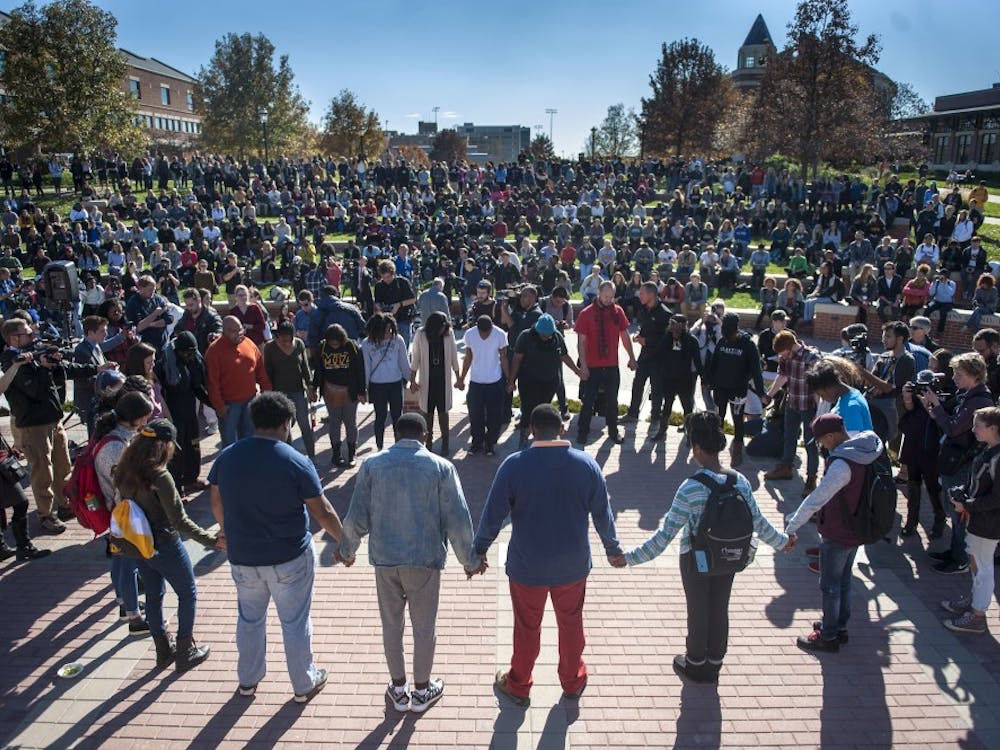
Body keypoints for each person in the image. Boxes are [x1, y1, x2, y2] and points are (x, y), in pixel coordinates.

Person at [474, 404, 624, 706]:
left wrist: (478, 550)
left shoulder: (514, 465)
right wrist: (613, 548)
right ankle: (572, 681)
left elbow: (493, 514)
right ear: (563, 429)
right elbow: (603, 513)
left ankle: (518, 684)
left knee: (527, 627)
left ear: (531, 430)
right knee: (571, 624)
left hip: (527, 566)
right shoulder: (586, 465)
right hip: (573, 566)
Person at [625, 411, 792, 682]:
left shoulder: (690, 487)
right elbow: (759, 522)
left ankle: (694, 662)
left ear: (697, 447)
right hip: (730, 556)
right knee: (719, 607)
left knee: (698, 608)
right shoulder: (740, 480)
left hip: (695, 559)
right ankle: (714, 663)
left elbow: (664, 536)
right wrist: (783, 543)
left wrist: (629, 558)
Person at [337, 412, 479, 713]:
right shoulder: (441, 467)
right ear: (425, 435)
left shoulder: (372, 465)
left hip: (385, 559)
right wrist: (470, 560)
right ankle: (423, 690)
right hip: (424, 559)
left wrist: (347, 550)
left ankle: (398, 688)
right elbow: (457, 517)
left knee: (391, 625)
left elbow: (357, 514)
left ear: (396, 435)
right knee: (424, 628)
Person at [209, 392, 342, 702]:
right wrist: (344, 542)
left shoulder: (227, 456)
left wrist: (226, 530)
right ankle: (303, 683)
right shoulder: (295, 460)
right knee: (294, 621)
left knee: (250, 619)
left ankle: (248, 680)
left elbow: (216, 500)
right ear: (287, 422)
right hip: (289, 557)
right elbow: (321, 511)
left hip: (243, 558)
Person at [115, 419, 223, 672]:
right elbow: (180, 521)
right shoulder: (159, 476)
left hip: (139, 543)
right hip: (165, 541)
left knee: (154, 594)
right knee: (187, 593)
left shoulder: (125, 468)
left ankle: (163, 650)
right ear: (163, 446)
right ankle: (186, 651)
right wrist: (211, 540)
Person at [0, 318, 110, 533]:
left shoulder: (36, 353)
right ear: (14, 338)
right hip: (34, 424)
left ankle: (64, 504)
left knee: (63, 466)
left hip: (53, 418)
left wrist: (96, 369)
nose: (34, 338)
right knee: (43, 472)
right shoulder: (12, 359)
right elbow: (33, 390)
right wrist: (43, 368)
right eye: (28, 335)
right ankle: (46, 515)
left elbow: (66, 369)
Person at [786, 414, 884, 652]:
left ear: (831, 436)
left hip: (838, 532)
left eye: (821, 441)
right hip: (857, 529)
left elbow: (817, 499)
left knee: (829, 586)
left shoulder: (842, 464)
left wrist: (792, 526)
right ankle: (838, 625)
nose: (822, 446)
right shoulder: (864, 450)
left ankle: (828, 636)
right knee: (844, 582)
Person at [920, 352, 995, 574]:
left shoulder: (979, 401)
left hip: (963, 464)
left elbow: (952, 428)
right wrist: (931, 406)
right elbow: (947, 422)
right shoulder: (968, 395)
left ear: (974, 375)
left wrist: (937, 406)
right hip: (955, 460)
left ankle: (960, 559)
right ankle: (955, 552)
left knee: (959, 512)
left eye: (958, 374)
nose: (954, 378)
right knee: (954, 510)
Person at [92, 391, 155, 632]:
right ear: (133, 418)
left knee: (119, 560)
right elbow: (124, 485)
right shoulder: (116, 447)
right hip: (123, 512)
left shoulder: (116, 437)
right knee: (129, 563)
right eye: (144, 418)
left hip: (116, 510)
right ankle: (134, 617)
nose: (146, 423)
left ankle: (122, 602)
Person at [940, 406, 1000, 634]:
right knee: (976, 563)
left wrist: (967, 505)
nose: (973, 429)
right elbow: (979, 483)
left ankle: (978, 616)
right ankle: (975, 601)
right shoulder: (989, 450)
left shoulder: (998, 457)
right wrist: (962, 492)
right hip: (980, 519)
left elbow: (997, 498)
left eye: (978, 425)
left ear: (993, 428)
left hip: (988, 522)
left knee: (983, 568)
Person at [575, 280, 637, 445]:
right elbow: (581, 342)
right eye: (606, 296)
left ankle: (613, 431)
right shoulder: (586, 314)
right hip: (593, 366)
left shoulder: (618, 312)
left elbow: (624, 336)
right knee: (588, 401)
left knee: (612, 401)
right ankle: (582, 431)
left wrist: (631, 357)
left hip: (611, 365)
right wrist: (584, 366)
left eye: (611, 297)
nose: (609, 300)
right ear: (598, 294)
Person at [763, 331, 822, 496]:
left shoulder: (812, 358)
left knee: (811, 443)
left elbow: (818, 386)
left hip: (810, 406)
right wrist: (769, 395)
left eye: (784, 353)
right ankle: (785, 467)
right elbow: (782, 377)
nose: (783, 357)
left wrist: (820, 412)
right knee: (789, 437)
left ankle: (811, 477)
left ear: (791, 347)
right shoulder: (785, 357)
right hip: (792, 404)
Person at [898, 353, 951, 540]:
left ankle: (939, 519)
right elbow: (906, 422)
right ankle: (911, 522)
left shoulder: (948, 395)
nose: (931, 376)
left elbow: (945, 424)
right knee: (913, 486)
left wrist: (934, 403)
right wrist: (908, 400)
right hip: (914, 446)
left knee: (932, 487)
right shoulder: (916, 394)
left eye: (936, 370)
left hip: (932, 450)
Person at [507, 314, 580, 448]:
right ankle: (524, 435)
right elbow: (517, 360)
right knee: (528, 410)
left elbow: (564, 356)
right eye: (544, 335)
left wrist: (577, 370)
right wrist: (511, 380)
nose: (547, 337)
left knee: (542, 410)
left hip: (550, 381)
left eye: (549, 335)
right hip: (529, 381)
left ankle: (540, 437)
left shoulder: (557, 336)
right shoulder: (525, 337)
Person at [704, 313, 764, 468]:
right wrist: (708, 380)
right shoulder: (722, 341)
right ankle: (714, 448)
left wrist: (761, 392)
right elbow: (714, 362)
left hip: (738, 389)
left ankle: (737, 448)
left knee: (738, 419)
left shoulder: (748, 344)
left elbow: (756, 370)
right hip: (720, 387)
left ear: (736, 328)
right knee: (719, 417)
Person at [155, 332, 211, 493]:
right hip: (174, 415)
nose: (190, 355)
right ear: (178, 351)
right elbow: (159, 393)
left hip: (189, 412)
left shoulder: (193, 362)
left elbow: (196, 388)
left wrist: (214, 404)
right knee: (176, 453)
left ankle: (191, 479)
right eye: (186, 352)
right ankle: (176, 488)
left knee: (193, 446)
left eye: (193, 352)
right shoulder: (165, 365)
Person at [205, 316, 272, 447]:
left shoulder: (248, 343)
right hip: (229, 406)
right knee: (229, 443)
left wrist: (266, 390)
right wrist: (219, 406)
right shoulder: (214, 351)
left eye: (240, 330)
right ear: (224, 331)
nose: (238, 334)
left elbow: (259, 368)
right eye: (233, 331)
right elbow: (212, 383)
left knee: (249, 441)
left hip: (250, 401)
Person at [314, 323, 366, 467]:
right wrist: (315, 388)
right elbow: (318, 370)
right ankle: (336, 454)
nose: (335, 346)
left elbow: (360, 370)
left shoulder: (352, 347)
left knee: (350, 422)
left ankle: (351, 454)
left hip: (350, 390)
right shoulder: (322, 347)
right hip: (330, 390)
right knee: (334, 422)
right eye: (332, 343)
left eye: (337, 343)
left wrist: (362, 391)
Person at [409, 311, 461, 455]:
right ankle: (428, 444)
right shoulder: (420, 334)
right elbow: (415, 359)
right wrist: (412, 380)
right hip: (427, 381)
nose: (445, 328)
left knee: (444, 413)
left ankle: (445, 445)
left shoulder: (448, 334)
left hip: (443, 381)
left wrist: (459, 377)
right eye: (442, 326)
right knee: (427, 414)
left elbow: (454, 357)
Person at [263, 320, 316, 460]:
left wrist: (311, 387)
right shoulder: (270, 348)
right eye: (283, 340)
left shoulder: (299, 344)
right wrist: (268, 393)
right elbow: (267, 371)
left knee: (305, 425)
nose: (287, 343)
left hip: (298, 390)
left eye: (290, 339)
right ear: (277, 336)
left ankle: (312, 456)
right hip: (280, 393)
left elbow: (305, 367)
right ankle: (288, 456)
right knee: (284, 427)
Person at [458, 315, 509, 456]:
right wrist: (461, 378)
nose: (484, 335)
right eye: (482, 332)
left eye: (487, 332)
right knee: (475, 415)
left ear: (492, 327)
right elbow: (468, 357)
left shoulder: (500, 334)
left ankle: (490, 444)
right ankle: (477, 443)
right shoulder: (470, 334)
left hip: (495, 381)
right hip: (476, 382)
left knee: (495, 415)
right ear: (477, 328)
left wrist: (510, 379)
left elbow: (503, 357)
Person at [859, 321, 915, 445]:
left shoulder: (906, 360)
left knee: (879, 445)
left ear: (900, 339)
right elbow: (870, 382)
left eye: (888, 336)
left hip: (888, 408)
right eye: (883, 336)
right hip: (872, 404)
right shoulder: (884, 357)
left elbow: (888, 388)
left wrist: (863, 372)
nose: (883, 340)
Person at [623, 282, 670, 425]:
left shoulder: (665, 313)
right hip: (644, 356)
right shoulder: (644, 309)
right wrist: (639, 336)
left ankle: (655, 418)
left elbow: (666, 338)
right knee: (637, 384)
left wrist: (647, 340)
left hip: (659, 358)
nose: (639, 295)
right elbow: (645, 328)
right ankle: (632, 414)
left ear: (651, 294)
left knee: (656, 389)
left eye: (642, 293)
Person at [362, 312, 410, 451]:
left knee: (398, 416)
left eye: (391, 329)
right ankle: (380, 446)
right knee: (380, 417)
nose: (389, 332)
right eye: (386, 330)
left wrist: (411, 380)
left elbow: (404, 363)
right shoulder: (367, 343)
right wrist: (364, 388)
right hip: (377, 385)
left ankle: (398, 446)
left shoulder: (398, 340)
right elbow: (366, 366)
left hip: (395, 382)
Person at [652, 314, 703, 441]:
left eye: (677, 328)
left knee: (687, 407)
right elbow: (658, 356)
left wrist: (704, 379)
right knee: (667, 405)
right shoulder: (666, 339)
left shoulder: (691, 341)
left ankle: (690, 434)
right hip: (668, 378)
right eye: (672, 327)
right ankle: (662, 431)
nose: (674, 331)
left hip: (685, 379)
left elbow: (698, 362)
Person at [805, 359, 873, 436]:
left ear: (829, 387)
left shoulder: (851, 407)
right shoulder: (848, 396)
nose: (823, 400)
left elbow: (852, 444)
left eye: (822, 395)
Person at [73, 315, 111, 435]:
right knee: (94, 436)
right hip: (89, 400)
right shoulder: (81, 350)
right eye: (102, 331)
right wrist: (107, 380)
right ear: (90, 333)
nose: (106, 334)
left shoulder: (96, 346)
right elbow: (83, 378)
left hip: (100, 399)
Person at [373, 260, 417, 349]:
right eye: (383, 277)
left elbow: (413, 299)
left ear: (393, 273)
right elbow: (377, 302)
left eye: (388, 277)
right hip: (387, 320)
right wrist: (380, 308)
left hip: (403, 318)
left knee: (404, 346)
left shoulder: (403, 282)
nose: (386, 280)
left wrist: (399, 305)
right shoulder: (379, 286)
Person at [176, 287, 223, 355]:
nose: (189, 308)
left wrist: (216, 335)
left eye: (191, 305)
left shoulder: (211, 317)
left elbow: (219, 329)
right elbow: (177, 329)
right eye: (187, 305)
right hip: (189, 357)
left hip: (205, 355)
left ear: (199, 300)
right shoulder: (186, 316)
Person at [925, 269, 957, 334]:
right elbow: (931, 293)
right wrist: (933, 283)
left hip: (947, 303)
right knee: (928, 309)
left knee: (943, 312)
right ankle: (924, 327)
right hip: (937, 301)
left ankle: (940, 331)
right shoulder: (936, 282)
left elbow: (951, 293)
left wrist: (944, 283)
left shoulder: (952, 283)